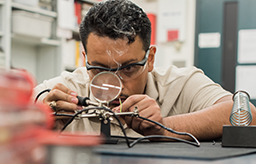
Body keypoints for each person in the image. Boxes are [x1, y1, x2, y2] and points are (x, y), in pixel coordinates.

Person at [34, 0, 256, 140]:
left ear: (150, 59)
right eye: (100, 69)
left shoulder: (180, 85)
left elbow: (248, 117)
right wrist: (38, 122)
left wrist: (165, 127)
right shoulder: (63, 92)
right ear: (85, 60)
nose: (114, 85)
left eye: (129, 68)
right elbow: (5, 124)